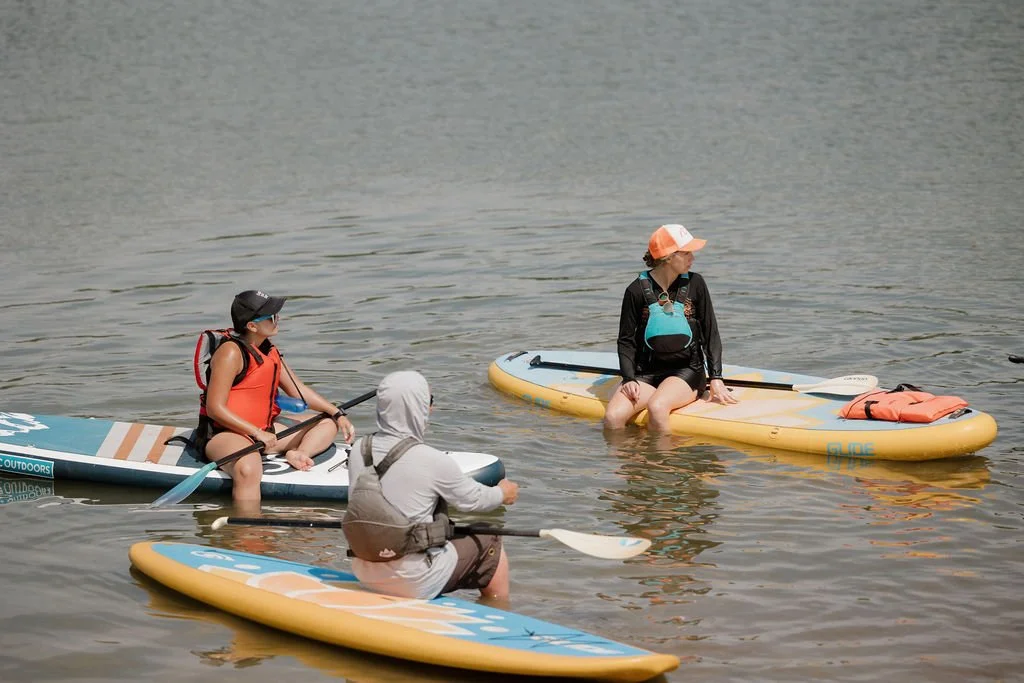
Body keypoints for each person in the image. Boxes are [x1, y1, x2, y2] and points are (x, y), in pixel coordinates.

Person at [343, 370, 519, 600]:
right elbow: (473, 500)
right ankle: (499, 612)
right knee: (489, 538)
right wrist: (502, 493)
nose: (431, 409)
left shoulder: (358, 450)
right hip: (413, 581)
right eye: (428, 402)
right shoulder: (432, 460)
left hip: (363, 571)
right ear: (416, 407)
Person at [201, 290, 355, 508]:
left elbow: (299, 390)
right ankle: (248, 532)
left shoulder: (268, 351)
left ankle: (299, 454)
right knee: (248, 469)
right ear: (252, 326)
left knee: (326, 423)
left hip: (266, 433)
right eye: (271, 317)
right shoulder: (231, 353)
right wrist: (256, 433)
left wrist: (337, 413)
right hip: (227, 435)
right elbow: (214, 408)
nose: (277, 320)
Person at [604, 224, 738, 432]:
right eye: (686, 253)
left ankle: (666, 464)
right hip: (645, 372)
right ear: (668, 257)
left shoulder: (696, 283)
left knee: (657, 407)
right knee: (613, 417)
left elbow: (710, 332)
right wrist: (629, 377)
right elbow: (626, 340)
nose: (692, 257)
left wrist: (716, 378)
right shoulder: (635, 291)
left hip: (686, 371)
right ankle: (630, 464)